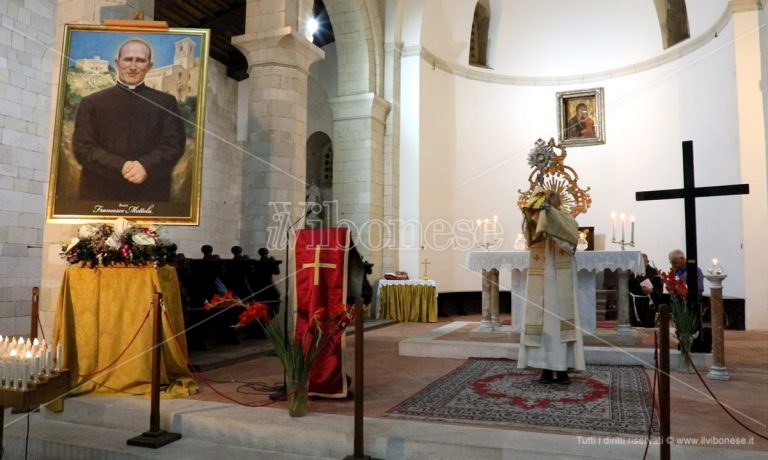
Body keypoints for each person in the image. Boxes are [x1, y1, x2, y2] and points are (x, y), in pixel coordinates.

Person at [72, 38, 187, 202]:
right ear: (118, 63)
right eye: (128, 59)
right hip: (100, 195)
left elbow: (174, 145)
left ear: (149, 66)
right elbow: (83, 148)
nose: (133, 67)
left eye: (140, 61)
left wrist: (145, 166)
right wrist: (122, 166)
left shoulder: (166, 102)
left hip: (150, 196)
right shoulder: (92, 102)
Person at [518, 186, 584, 384]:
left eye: (553, 196)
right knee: (542, 323)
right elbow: (529, 233)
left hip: (559, 280)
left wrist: (550, 217)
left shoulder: (568, 220)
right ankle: (545, 368)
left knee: (558, 325)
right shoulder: (542, 217)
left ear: (560, 201)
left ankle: (562, 369)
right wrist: (536, 212)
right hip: (541, 278)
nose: (551, 198)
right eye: (548, 196)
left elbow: (569, 243)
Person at [628, 253, 663, 327]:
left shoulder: (654, 273)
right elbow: (629, 286)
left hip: (648, 304)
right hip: (634, 303)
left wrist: (651, 291)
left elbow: (659, 290)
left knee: (648, 327)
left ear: (647, 261)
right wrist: (634, 276)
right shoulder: (632, 272)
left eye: (642, 263)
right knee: (635, 326)